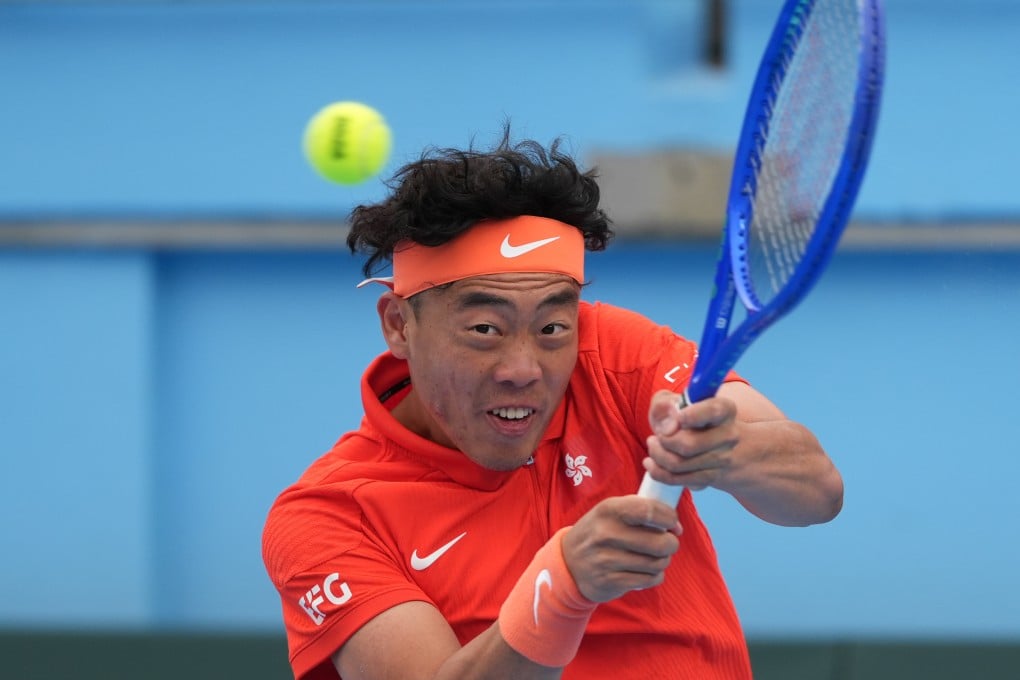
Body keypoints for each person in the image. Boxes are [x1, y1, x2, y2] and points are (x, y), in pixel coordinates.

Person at [262, 128, 844, 680]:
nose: (523, 369)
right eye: (485, 329)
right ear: (398, 325)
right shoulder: (326, 516)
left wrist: (725, 451)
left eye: (553, 327)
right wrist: (562, 585)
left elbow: (817, 492)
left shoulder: (618, 354)